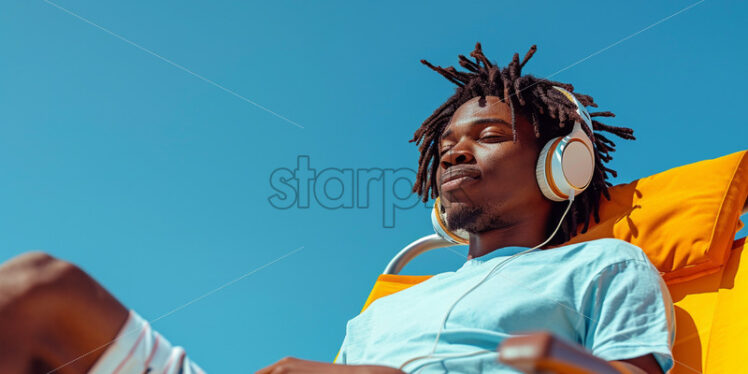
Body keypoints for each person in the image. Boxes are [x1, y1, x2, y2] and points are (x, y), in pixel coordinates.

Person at [1, 42, 744, 374]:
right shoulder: (387, 307)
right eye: (446, 144)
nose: (456, 153)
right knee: (38, 290)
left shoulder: (605, 267)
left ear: (563, 164)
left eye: (487, 135)